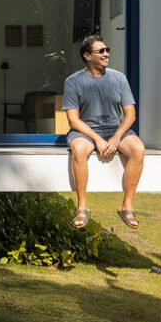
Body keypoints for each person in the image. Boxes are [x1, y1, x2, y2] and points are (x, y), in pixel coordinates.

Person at [62, 33, 145, 229]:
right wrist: (97, 139)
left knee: (138, 149)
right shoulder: (73, 81)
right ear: (87, 56)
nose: (106, 54)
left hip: (115, 130)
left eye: (107, 50)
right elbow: (73, 120)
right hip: (85, 131)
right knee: (79, 149)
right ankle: (82, 206)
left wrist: (116, 138)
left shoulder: (119, 78)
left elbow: (130, 115)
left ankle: (126, 205)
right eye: (100, 51)